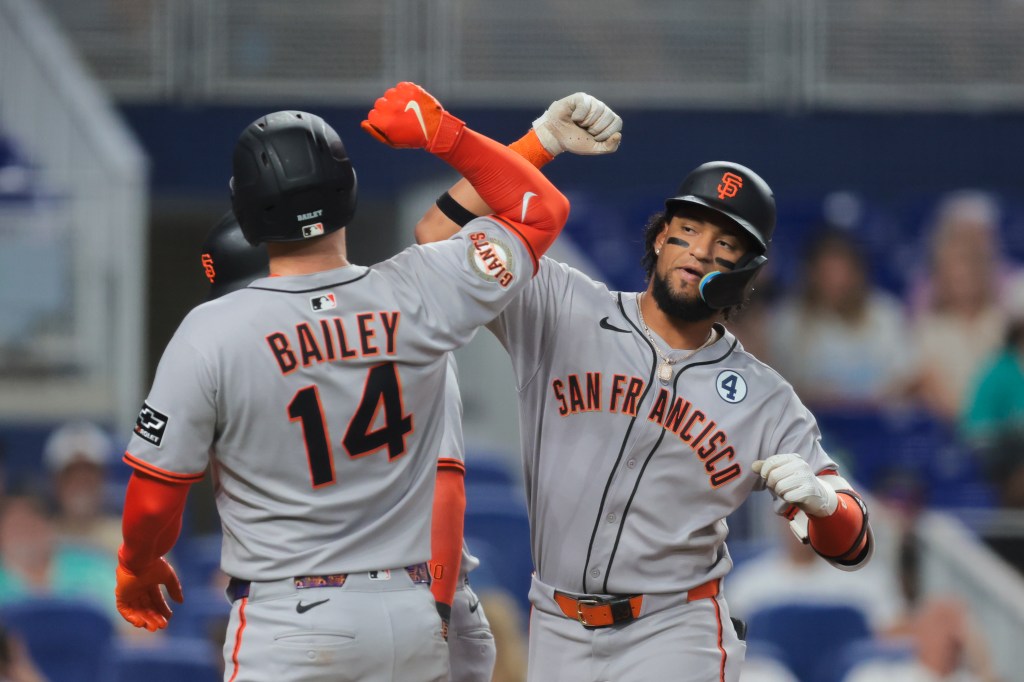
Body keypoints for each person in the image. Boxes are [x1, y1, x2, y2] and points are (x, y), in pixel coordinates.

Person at [114, 81, 570, 682]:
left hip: (291, 618)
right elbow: (540, 208)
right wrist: (445, 135)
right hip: (412, 616)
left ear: (247, 212)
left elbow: (154, 498)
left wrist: (137, 566)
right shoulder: (420, 289)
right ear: (348, 192)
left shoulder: (211, 329)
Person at [416, 145, 875, 680]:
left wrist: (825, 505)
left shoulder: (763, 397)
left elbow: (855, 546)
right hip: (555, 625)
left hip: (674, 630)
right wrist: (536, 144)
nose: (700, 251)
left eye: (725, 243)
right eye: (688, 229)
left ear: (746, 272)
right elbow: (437, 241)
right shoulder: (564, 306)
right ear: (660, 237)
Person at [769, 226, 912, 409]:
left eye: (842, 272)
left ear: (858, 273)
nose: (836, 282)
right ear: (812, 274)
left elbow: (906, 381)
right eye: (828, 273)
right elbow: (779, 385)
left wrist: (866, 402)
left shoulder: (885, 314)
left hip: (878, 423)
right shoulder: (789, 320)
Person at [41, 420, 123, 555]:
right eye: (71, 477)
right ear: (55, 482)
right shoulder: (36, 535)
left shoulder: (131, 539)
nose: (81, 485)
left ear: (103, 478)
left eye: (88, 476)